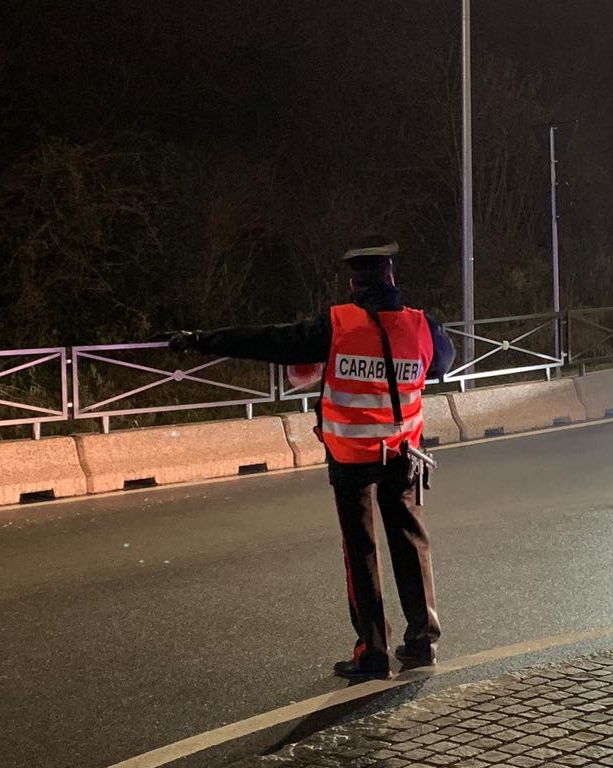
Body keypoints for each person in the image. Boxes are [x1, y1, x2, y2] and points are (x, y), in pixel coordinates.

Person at [169, 236, 455, 680]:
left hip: (352, 457)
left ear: (353, 285)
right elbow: (443, 364)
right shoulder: (423, 327)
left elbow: (271, 341)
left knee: (360, 552)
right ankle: (422, 644)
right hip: (403, 453)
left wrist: (203, 341)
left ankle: (373, 654)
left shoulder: (336, 325)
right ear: (391, 277)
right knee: (411, 543)